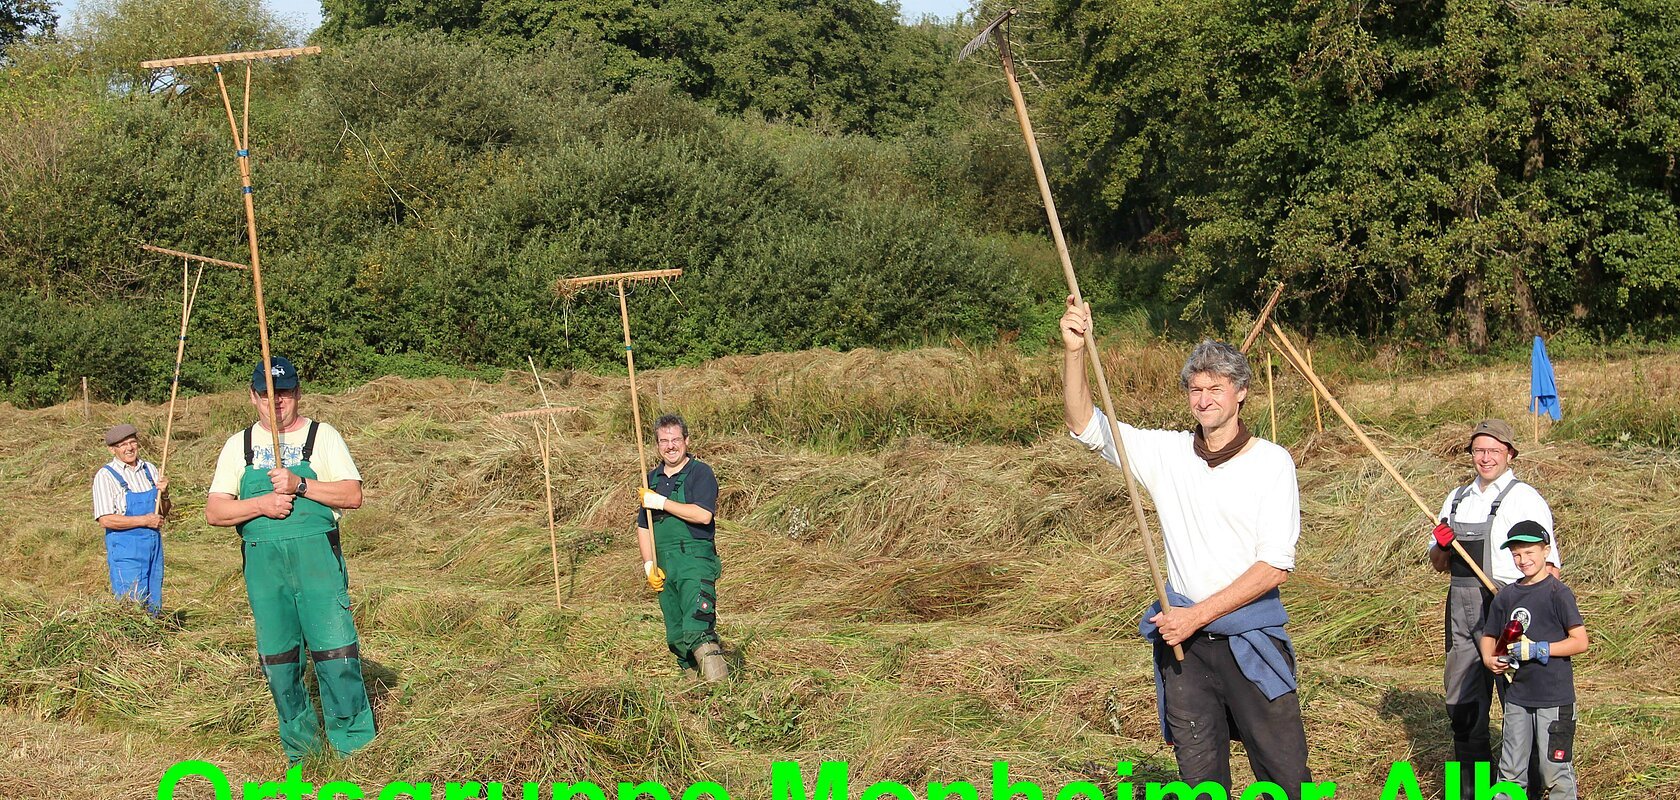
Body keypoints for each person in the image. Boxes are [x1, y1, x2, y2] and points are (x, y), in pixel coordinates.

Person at [1059, 298, 1310, 795]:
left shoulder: (1272, 463)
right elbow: (1084, 424)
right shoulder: (1167, 454)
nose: (1204, 398)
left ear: (1240, 393)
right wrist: (1074, 351)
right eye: (1196, 389)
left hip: (1249, 643)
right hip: (1186, 652)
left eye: (1216, 387)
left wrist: (1195, 616)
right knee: (1200, 781)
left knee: (1285, 778)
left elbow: (1275, 567)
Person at [204, 356, 375, 763]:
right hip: (265, 570)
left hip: (317, 562)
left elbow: (352, 496)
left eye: (283, 393)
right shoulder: (237, 446)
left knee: (336, 652)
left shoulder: (324, 437)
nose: (275, 402)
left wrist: (301, 484)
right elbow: (215, 512)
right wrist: (261, 503)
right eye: (266, 395)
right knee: (280, 660)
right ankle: (303, 750)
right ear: (253, 397)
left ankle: (355, 745)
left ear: (297, 393)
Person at [1429, 418, 1557, 794]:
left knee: (1520, 704)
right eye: (1479, 450)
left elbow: (1548, 567)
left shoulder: (1525, 498)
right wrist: (1441, 543)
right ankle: (1470, 790)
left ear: (1510, 453)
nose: (1485, 458)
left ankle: (1531, 788)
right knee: (1463, 706)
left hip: (1509, 608)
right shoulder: (1456, 498)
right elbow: (1438, 565)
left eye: (1494, 451)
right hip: (1462, 610)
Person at [1481, 521, 1586, 800]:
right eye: (1516, 554)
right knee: (1511, 771)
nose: (1523, 560)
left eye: (1529, 552)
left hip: (1554, 697)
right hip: (1517, 697)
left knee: (1555, 772)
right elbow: (1489, 634)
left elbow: (1580, 641)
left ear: (1546, 551)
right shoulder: (1506, 596)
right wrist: (1489, 658)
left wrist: (1541, 650)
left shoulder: (1558, 594)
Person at [635, 413, 726, 682]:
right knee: (676, 636)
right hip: (665, 565)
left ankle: (722, 696)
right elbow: (644, 527)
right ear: (657, 445)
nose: (670, 446)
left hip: (694, 560)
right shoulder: (650, 478)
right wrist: (649, 565)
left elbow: (703, 516)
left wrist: (661, 502)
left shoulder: (700, 473)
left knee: (697, 626)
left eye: (675, 439)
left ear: (686, 441)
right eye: (664, 441)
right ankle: (693, 694)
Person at [92, 423, 170, 615]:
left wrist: (165, 494)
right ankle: (132, 642)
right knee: (131, 603)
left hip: (153, 546)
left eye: (132, 442)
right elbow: (105, 520)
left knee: (154, 597)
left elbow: (163, 512)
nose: (129, 448)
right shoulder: (106, 476)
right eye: (122, 445)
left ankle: (154, 638)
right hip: (126, 550)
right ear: (112, 449)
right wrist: (145, 521)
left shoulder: (150, 470)